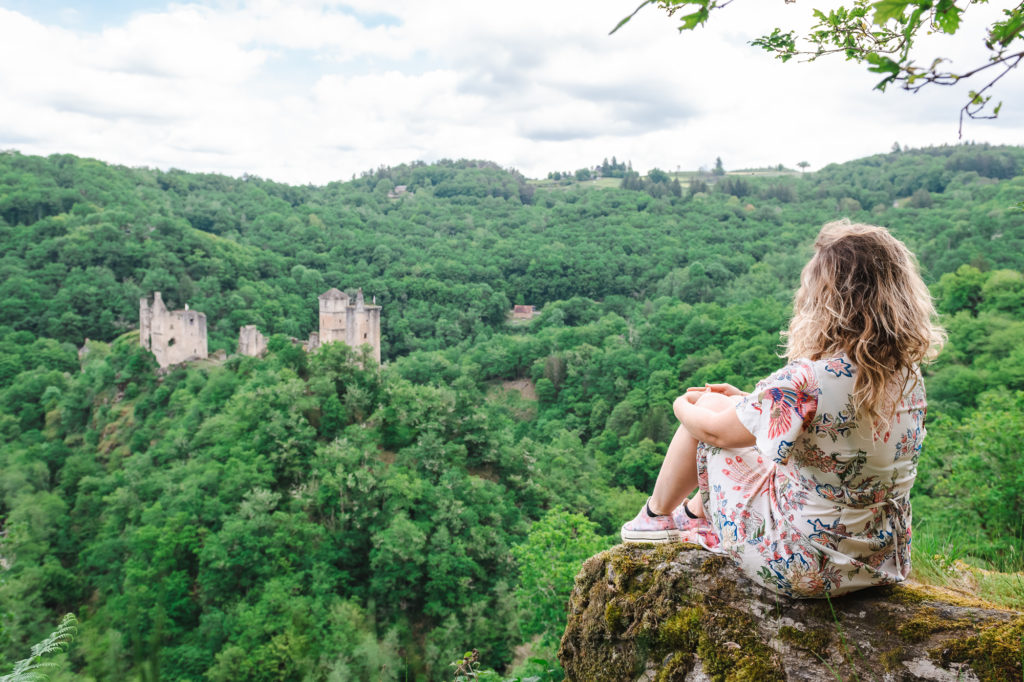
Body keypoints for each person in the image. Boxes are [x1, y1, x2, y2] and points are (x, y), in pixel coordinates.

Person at [621, 219, 945, 598]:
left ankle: (656, 518)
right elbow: (828, 432)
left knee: (709, 406)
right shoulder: (908, 374)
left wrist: (680, 405)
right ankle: (694, 518)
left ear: (828, 298)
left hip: (802, 563)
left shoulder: (807, 379)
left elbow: (712, 433)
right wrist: (747, 401)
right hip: (880, 559)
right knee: (737, 418)